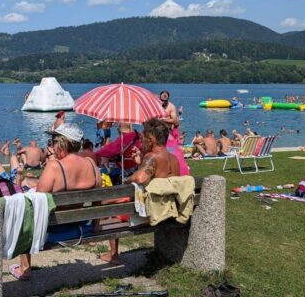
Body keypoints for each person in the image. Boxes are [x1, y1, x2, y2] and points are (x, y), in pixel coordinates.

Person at [10, 123, 100, 280]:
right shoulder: (91, 164)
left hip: (55, 229)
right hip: (80, 225)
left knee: (23, 211)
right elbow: (98, 200)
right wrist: (97, 226)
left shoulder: (54, 166)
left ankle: (25, 268)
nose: (51, 146)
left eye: (53, 141)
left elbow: (36, 204)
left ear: (62, 144)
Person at [103, 118, 181, 264]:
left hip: (152, 212)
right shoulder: (173, 159)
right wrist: (140, 164)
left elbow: (140, 178)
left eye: (144, 137)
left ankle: (113, 255)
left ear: (151, 139)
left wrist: (127, 179)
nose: (142, 140)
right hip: (168, 209)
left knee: (111, 207)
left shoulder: (151, 157)